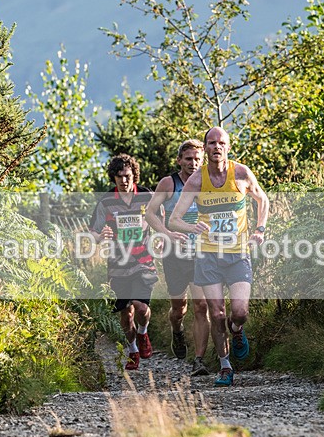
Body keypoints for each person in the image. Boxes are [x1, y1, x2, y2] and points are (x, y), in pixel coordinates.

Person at [168, 127, 269, 386]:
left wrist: (259, 229)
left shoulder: (241, 173)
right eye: (211, 143)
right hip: (208, 256)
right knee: (217, 313)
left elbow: (263, 200)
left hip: (237, 254)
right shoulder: (196, 181)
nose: (216, 147)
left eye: (221, 143)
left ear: (228, 147)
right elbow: (174, 220)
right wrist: (192, 227)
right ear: (206, 148)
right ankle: (225, 366)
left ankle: (237, 331)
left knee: (240, 311)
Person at [145, 139, 211, 376]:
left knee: (201, 305)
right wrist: (166, 233)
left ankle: (199, 360)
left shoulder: (208, 181)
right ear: (179, 160)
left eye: (197, 159)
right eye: (189, 159)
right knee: (178, 308)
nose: (193, 163)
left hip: (201, 252)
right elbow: (150, 213)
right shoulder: (169, 183)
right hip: (175, 254)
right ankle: (177, 330)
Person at [88, 154, 157, 371]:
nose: (124, 181)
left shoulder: (147, 196)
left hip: (143, 261)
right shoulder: (106, 202)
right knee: (126, 314)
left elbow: (161, 222)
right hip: (118, 265)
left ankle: (143, 333)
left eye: (127, 176)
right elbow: (92, 233)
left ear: (134, 175)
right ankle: (133, 350)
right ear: (114, 178)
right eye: (119, 177)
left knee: (141, 307)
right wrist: (101, 236)